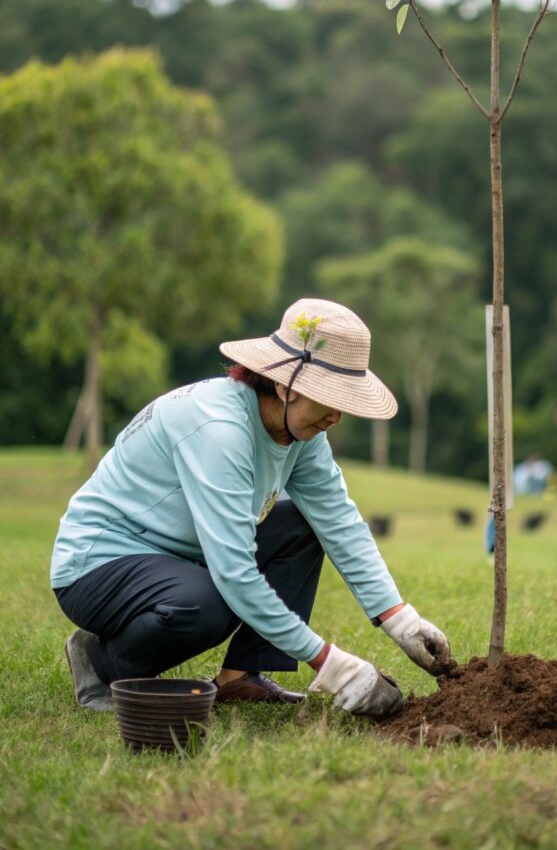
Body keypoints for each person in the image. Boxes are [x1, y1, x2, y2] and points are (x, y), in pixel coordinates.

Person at [52, 298, 451, 719]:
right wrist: (333, 666)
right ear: (286, 386)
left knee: (303, 524)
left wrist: (400, 619)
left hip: (182, 557)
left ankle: (240, 676)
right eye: (328, 399)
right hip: (98, 563)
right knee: (207, 604)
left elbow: (339, 521)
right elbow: (234, 574)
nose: (336, 416)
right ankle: (101, 663)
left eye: (344, 403)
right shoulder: (219, 430)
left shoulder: (304, 435)